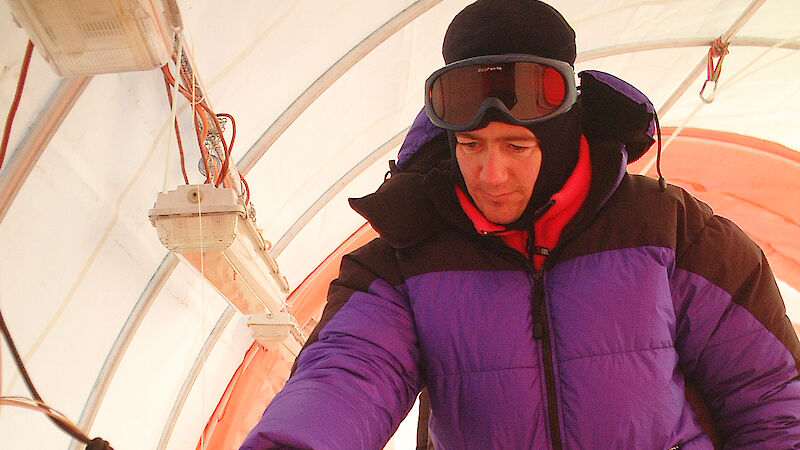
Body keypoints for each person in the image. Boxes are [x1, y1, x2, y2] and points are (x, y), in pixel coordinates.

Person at [241, 0, 800, 448]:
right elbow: (347, 374)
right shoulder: (408, 256)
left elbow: (773, 398)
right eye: (469, 145)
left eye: (516, 145)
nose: (490, 173)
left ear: (559, 142)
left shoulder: (673, 232)